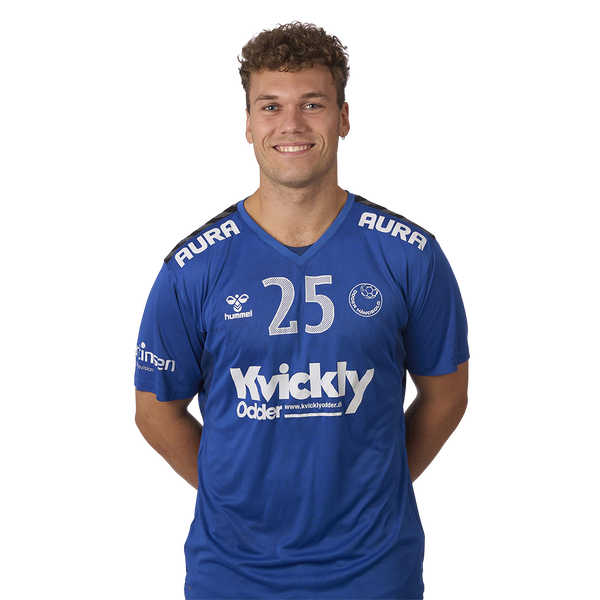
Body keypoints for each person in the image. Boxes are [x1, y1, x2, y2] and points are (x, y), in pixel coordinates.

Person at [132, 18, 471, 600]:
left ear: (345, 119)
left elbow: (447, 397)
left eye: (312, 104)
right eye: (271, 106)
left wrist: (377, 490)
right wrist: (233, 500)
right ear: (246, 125)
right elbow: (156, 412)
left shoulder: (412, 255)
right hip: (231, 577)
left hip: (374, 575)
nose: (291, 124)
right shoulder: (191, 266)